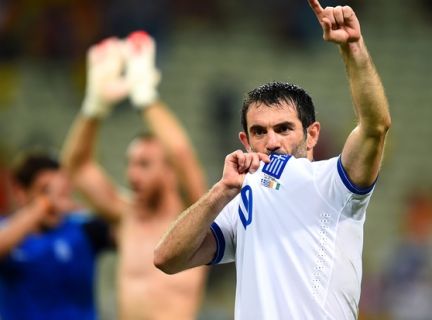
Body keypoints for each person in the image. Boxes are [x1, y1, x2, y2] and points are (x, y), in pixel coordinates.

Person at [153, 1, 391, 319]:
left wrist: (354, 48)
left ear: (313, 134)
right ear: (246, 141)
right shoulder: (239, 200)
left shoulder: (332, 182)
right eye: (259, 131)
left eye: (284, 128)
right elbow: (166, 259)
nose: (272, 141)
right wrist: (220, 192)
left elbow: (375, 127)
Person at [61, 31, 208, 319]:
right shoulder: (125, 216)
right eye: (130, 163)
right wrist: (95, 106)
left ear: (169, 172)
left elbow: (181, 153)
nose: (131, 174)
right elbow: (75, 166)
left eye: (144, 164)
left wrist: (145, 96)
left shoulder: (196, 216)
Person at [0, 150, 113, 320]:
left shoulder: (82, 228)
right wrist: (44, 205)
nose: (54, 199)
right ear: (21, 192)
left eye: (59, 190)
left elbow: (124, 224)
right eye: (44, 190)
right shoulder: (8, 230)